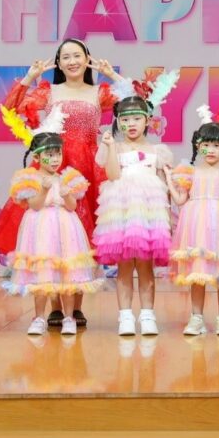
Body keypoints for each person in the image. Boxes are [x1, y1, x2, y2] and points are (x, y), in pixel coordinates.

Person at [0, 39, 121, 328]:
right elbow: (9, 109)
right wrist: (29, 77)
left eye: (77, 55)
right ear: (59, 63)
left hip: (87, 170)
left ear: (88, 59)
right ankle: (53, 307)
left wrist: (112, 75)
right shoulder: (48, 91)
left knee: (80, 236)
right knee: (50, 235)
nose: (72, 61)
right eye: (66, 57)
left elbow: (140, 103)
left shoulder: (100, 92)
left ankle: (76, 307)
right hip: (54, 163)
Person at [4, 126, 103, 336]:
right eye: (49, 154)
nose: (55, 159)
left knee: (68, 274)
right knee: (42, 274)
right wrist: (45, 189)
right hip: (41, 229)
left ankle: (69, 317)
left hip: (66, 228)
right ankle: (39, 317)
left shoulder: (66, 178)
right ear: (37, 157)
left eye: (58, 153)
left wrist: (66, 195)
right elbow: (35, 205)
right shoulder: (30, 179)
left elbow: (72, 207)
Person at [94, 95, 174, 336]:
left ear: (147, 120)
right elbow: (112, 175)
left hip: (150, 212)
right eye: (125, 119)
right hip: (122, 211)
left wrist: (166, 220)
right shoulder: (114, 147)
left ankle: (148, 316)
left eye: (136, 118)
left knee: (146, 266)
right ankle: (125, 317)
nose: (131, 124)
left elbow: (164, 187)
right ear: (118, 121)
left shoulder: (158, 151)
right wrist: (110, 147)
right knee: (125, 266)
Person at [166, 118, 219, 336]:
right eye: (206, 145)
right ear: (198, 145)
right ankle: (196, 318)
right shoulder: (190, 171)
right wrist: (169, 180)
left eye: (216, 145)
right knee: (198, 272)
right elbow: (180, 200)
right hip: (196, 226)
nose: (210, 150)